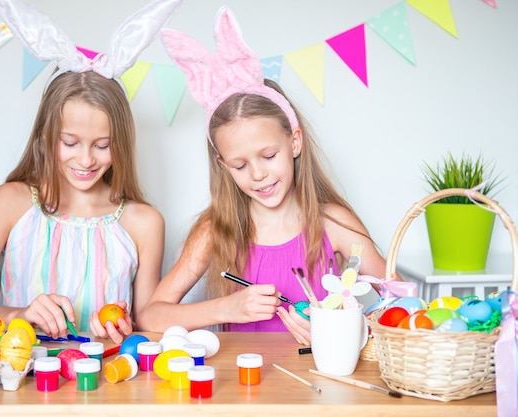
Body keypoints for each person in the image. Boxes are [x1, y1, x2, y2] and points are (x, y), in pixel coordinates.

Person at [137, 6, 400, 345]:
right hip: (243, 390)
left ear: (294, 140)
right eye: (240, 165)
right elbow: (150, 316)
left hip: (323, 386)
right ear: (221, 164)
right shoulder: (216, 229)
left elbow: (399, 302)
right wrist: (226, 308)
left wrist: (345, 328)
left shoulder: (332, 223)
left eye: (268, 155)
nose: (258, 174)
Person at [0, 0, 181, 344]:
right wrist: (17, 316)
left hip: (105, 388)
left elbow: (149, 325)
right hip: (21, 384)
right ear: (44, 136)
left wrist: (125, 328)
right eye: (70, 142)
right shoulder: (11, 203)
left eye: (102, 145)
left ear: (123, 144)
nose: (86, 160)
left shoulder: (143, 224)